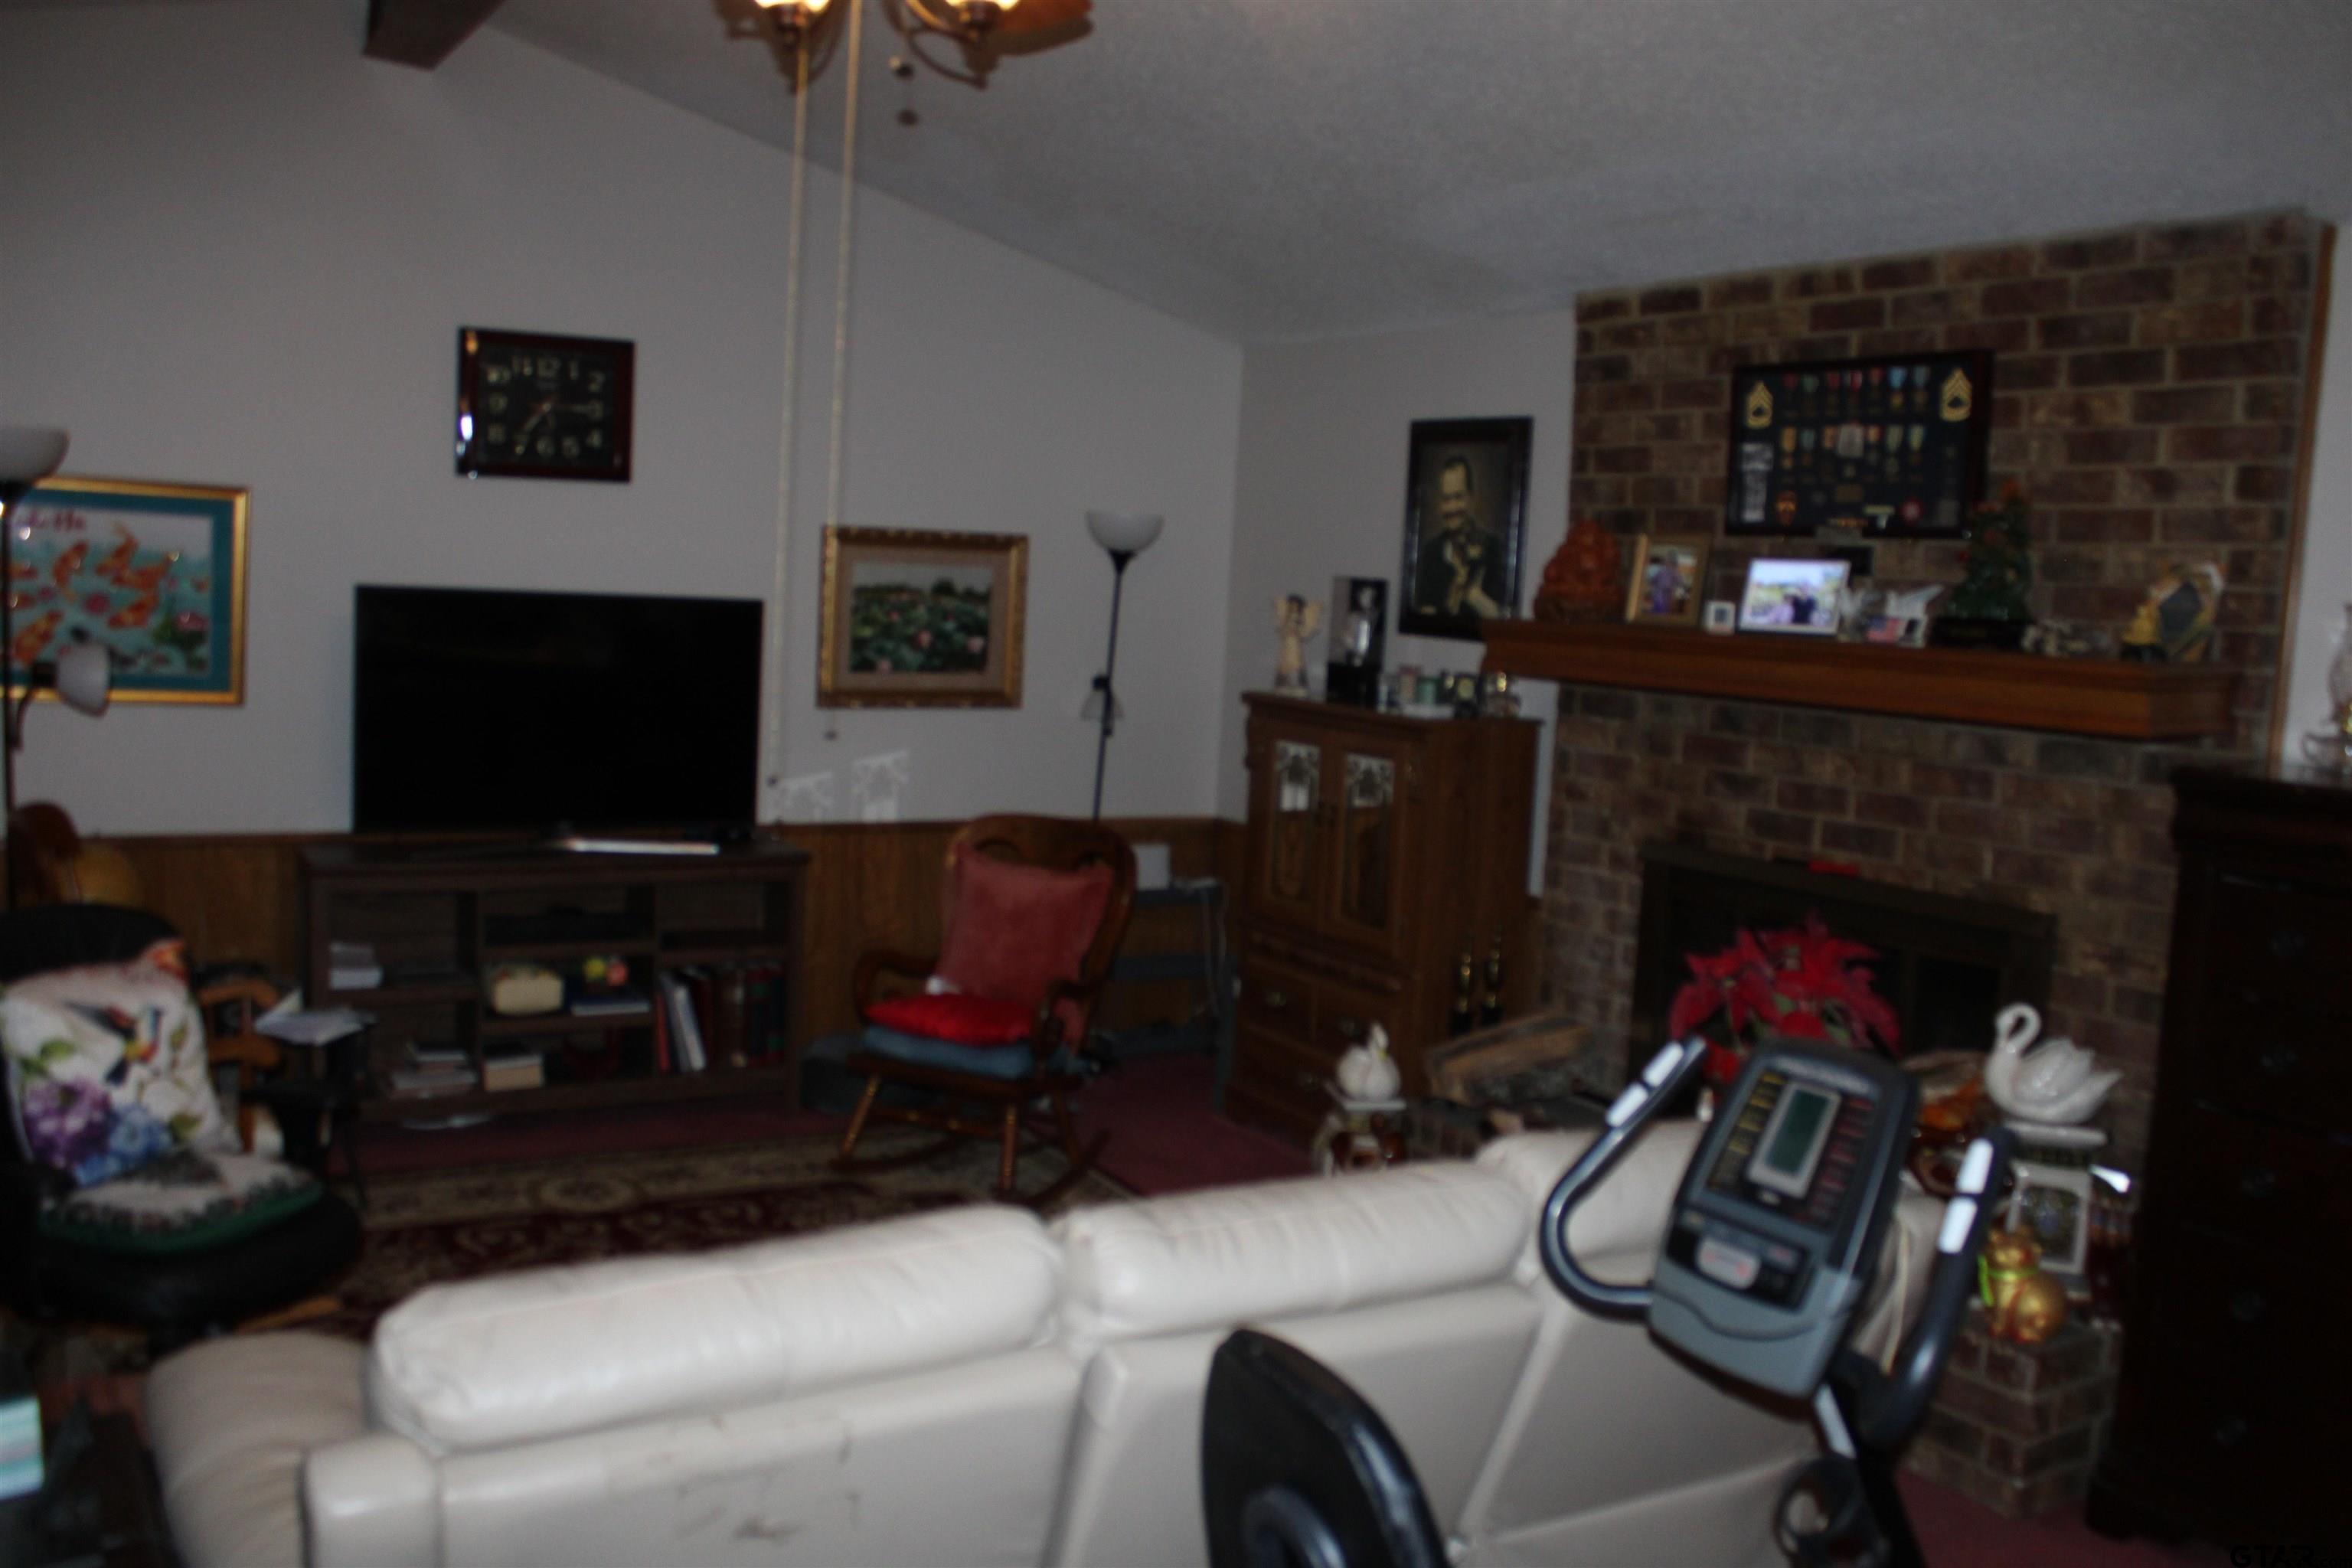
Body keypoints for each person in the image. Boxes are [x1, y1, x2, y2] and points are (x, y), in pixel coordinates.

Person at [1413, 456, 1504, 622]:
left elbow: (1502, 620)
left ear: (1471, 498)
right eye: (1446, 499)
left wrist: (1473, 595)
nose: (1452, 508)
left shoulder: (1493, 548)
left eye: (1458, 497)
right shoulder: (1431, 553)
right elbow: (1423, 620)